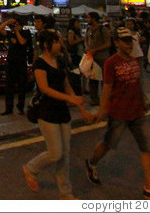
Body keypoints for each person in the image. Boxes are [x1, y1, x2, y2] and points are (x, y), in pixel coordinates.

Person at [84, 27, 150, 199]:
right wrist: (102, 111)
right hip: (119, 114)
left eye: (130, 40)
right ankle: (92, 163)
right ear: (116, 43)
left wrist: (143, 99)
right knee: (108, 144)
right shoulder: (111, 63)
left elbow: (137, 82)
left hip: (137, 112)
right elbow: (107, 89)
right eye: (125, 41)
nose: (129, 44)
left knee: (148, 148)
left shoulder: (134, 60)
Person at [22, 30, 93, 199]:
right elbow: (45, 89)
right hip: (47, 112)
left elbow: (66, 84)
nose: (59, 45)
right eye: (55, 42)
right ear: (46, 45)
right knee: (55, 153)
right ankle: (31, 168)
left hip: (62, 111)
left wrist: (79, 105)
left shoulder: (59, 61)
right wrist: (70, 98)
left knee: (65, 155)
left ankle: (65, 193)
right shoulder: (39, 64)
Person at [0, 15, 33, 115]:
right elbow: (0, 29)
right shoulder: (10, 34)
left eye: (16, 24)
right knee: (9, 86)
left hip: (21, 62)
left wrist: (17, 31)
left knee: (22, 86)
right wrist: (8, 22)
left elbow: (22, 42)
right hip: (11, 62)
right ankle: (8, 108)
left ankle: (20, 107)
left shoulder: (26, 33)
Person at [84, 12, 111, 104]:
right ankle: (94, 99)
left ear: (94, 19)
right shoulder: (88, 29)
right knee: (92, 79)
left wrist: (96, 49)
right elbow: (86, 40)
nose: (87, 20)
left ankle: (105, 98)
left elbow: (108, 43)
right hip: (92, 58)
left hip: (102, 58)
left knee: (104, 79)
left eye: (88, 18)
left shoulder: (103, 29)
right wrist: (87, 47)